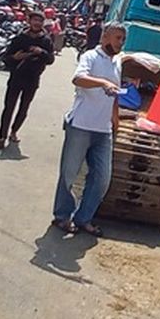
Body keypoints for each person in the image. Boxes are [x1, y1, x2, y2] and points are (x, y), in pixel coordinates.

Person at [52, 22, 126, 238]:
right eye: (117, 38)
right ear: (104, 37)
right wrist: (102, 82)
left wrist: (115, 120)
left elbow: (114, 95)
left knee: (102, 178)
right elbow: (78, 79)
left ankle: (83, 218)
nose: (120, 42)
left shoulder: (117, 63)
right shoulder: (90, 57)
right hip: (81, 125)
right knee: (69, 173)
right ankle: (62, 216)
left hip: (103, 130)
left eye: (122, 39)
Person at [0, 10, 55, 149]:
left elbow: (51, 59)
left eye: (40, 21)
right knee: (8, 108)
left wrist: (42, 52)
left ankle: (14, 131)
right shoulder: (19, 38)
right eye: (34, 20)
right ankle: (2, 136)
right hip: (16, 77)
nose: (37, 23)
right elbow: (6, 57)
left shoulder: (46, 40)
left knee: (24, 108)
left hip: (32, 79)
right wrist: (15, 58)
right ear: (29, 21)